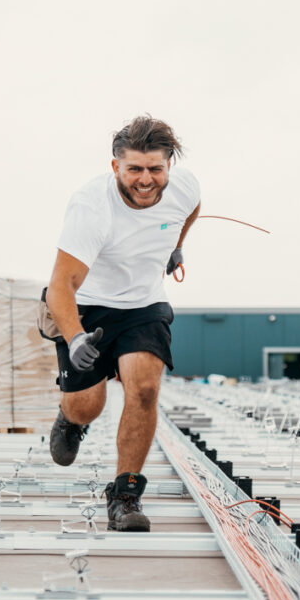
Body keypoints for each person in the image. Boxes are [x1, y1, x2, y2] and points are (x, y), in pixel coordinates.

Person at [44, 115, 200, 532]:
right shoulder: (92, 208)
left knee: (145, 387)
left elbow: (192, 210)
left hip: (144, 304)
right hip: (88, 306)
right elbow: (60, 285)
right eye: (134, 169)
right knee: (88, 404)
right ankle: (70, 420)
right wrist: (75, 337)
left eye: (155, 169)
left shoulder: (185, 188)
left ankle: (125, 495)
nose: (145, 179)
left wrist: (175, 247)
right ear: (116, 166)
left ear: (169, 165)